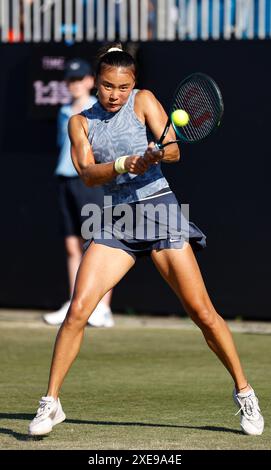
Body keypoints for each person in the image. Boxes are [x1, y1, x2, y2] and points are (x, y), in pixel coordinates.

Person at [29, 43, 264, 437]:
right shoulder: (80, 121)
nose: (114, 94)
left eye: (122, 87)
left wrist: (155, 155)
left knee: (203, 314)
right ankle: (51, 403)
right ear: (96, 83)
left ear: (133, 83)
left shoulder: (146, 102)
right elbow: (87, 173)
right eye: (107, 86)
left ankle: (245, 393)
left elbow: (174, 152)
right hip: (116, 218)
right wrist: (126, 162)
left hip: (160, 210)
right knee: (78, 310)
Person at [43, 58, 114, 328]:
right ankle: (75, 303)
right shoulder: (64, 112)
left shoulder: (96, 111)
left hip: (90, 182)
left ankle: (103, 308)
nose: (74, 84)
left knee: (99, 244)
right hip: (65, 181)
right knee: (72, 246)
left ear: (89, 81)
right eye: (70, 80)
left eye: (78, 79)